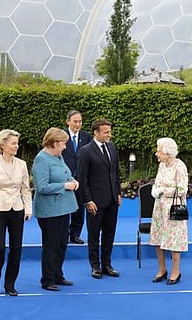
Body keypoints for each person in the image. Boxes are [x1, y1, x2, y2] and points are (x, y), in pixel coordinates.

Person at [0, 130, 32, 296]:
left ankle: (10, 284)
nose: (16, 146)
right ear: (2, 145)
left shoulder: (22, 164)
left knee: (16, 249)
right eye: (13, 143)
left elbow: (25, 188)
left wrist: (28, 208)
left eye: (17, 143)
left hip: (17, 209)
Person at [32, 127, 79, 291]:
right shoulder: (41, 160)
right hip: (49, 211)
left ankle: (58, 275)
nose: (65, 147)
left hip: (63, 208)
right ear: (54, 143)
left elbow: (65, 174)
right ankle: (47, 279)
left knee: (61, 245)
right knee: (51, 246)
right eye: (63, 144)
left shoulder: (58, 156)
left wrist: (73, 180)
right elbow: (41, 186)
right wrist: (65, 186)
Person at [77, 118, 122, 279]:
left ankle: (107, 264)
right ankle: (95, 266)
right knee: (94, 234)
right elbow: (83, 179)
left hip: (111, 200)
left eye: (110, 132)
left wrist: (117, 193)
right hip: (95, 202)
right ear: (96, 133)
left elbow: (116, 172)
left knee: (109, 234)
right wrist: (88, 200)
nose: (109, 135)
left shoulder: (112, 147)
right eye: (106, 132)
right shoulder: (85, 151)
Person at [150, 138, 188, 285]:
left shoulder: (180, 166)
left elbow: (182, 189)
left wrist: (163, 190)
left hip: (173, 209)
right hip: (159, 207)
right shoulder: (162, 165)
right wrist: (155, 188)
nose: (156, 153)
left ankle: (175, 271)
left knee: (174, 240)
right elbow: (158, 181)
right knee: (158, 238)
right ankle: (162, 269)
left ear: (167, 152)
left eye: (159, 151)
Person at [62, 110, 92, 244]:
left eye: (80, 121)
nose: (78, 124)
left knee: (79, 209)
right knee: (63, 209)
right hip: (63, 179)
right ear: (68, 121)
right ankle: (62, 234)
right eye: (75, 121)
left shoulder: (86, 137)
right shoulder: (61, 136)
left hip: (81, 178)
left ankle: (75, 234)